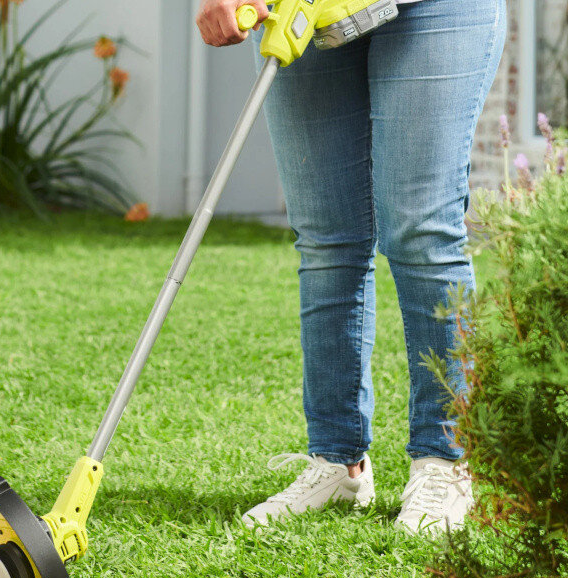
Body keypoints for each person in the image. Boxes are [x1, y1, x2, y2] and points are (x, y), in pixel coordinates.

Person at [196, 0, 506, 533]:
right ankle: (338, 463)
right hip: (302, 10)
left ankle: (444, 460)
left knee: (421, 229)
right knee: (326, 240)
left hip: (433, 10)